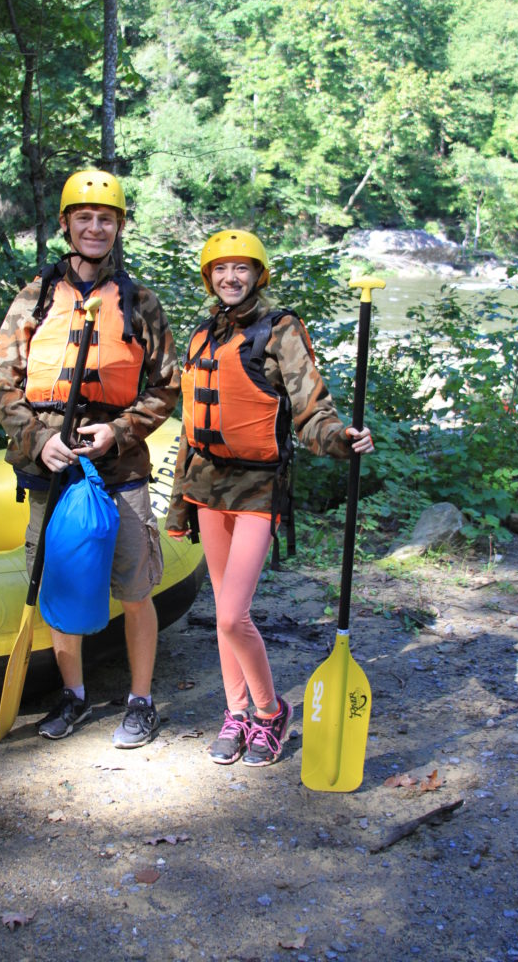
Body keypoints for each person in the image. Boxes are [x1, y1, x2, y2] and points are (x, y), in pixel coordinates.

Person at [165, 230, 374, 767]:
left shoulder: (281, 330)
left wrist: (340, 439)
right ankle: (235, 715)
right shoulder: (202, 335)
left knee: (234, 615)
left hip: (258, 486)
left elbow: (311, 410)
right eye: (220, 269)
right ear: (209, 277)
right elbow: (190, 421)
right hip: (208, 486)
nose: (230, 277)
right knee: (221, 615)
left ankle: (268, 711)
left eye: (242, 268)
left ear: (259, 274)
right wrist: (178, 499)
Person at [0, 169, 180, 747]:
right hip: (53, 468)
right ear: (68, 225)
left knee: (135, 587)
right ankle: (73, 694)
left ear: (118, 227)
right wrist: (35, 438)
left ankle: (141, 700)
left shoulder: (141, 302)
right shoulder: (36, 297)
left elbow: (166, 387)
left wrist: (118, 429)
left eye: (106, 219)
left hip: (119, 471)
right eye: (85, 217)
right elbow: (1, 377)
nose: (95, 227)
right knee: (59, 584)